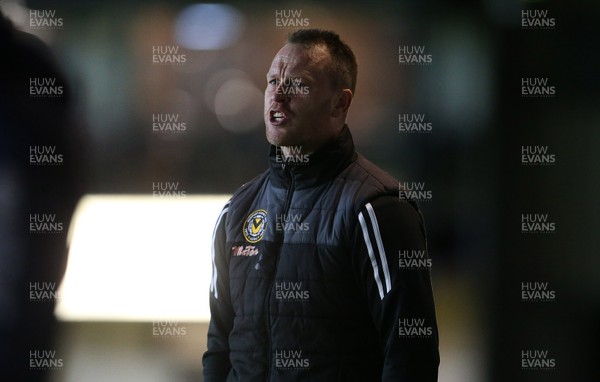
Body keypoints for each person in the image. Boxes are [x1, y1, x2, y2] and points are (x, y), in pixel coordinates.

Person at [203, 29, 439, 381]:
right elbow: (220, 344)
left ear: (340, 103)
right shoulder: (237, 211)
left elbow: (411, 354)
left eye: (298, 84)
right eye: (272, 81)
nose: (277, 95)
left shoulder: (378, 210)